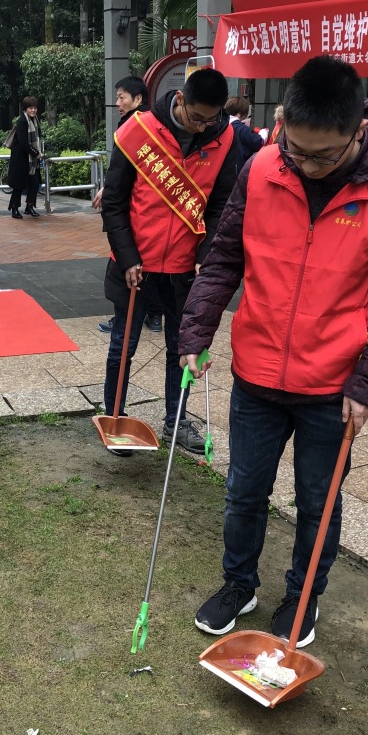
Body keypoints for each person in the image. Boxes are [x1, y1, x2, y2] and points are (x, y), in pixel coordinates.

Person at [180, 55, 368, 645]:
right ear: (283, 119)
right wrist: (196, 333)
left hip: (332, 385)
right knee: (244, 491)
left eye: (325, 155)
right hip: (257, 373)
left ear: (358, 132)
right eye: (299, 150)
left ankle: (301, 598)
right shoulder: (263, 167)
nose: (308, 165)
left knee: (318, 503)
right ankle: (239, 583)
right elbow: (223, 258)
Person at [101, 67, 238, 456]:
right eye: (196, 117)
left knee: (183, 347)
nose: (202, 127)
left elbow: (222, 206)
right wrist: (127, 255)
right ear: (180, 99)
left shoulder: (223, 138)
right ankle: (115, 418)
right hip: (135, 266)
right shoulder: (138, 130)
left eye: (210, 119)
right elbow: (114, 201)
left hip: (184, 267)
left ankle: (176, 419)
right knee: (122, 347)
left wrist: (205, 255)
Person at [95, 76, 162, 336]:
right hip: (140, 212)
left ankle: (129, 318)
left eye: (122, 97)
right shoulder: (140, 123)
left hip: (138, 214)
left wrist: (113, 191)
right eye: (117, 97)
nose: (118, 103)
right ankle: (151, 317)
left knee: (131, 263)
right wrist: (109, 187)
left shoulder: (140, 128)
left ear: (138, 99)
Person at [6, 96, 44, 219]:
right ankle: (14, 208)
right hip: (21, 159)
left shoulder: (35, 120)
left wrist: (37, 152)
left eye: (35, 108)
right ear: (25, 109)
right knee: (18, 185)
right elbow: (23, 143)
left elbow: (38, 138)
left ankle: (29, 206)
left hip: (32, 160)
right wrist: (35, 152)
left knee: (35, 182)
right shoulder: (22, 121)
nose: (33, 110)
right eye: (30, 108)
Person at [225, 96, 263, 174]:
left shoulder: (222, 126)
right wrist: (263, 133)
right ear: (239, 114)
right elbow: (258, 142)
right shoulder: (242, 129)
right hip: (238, 170)